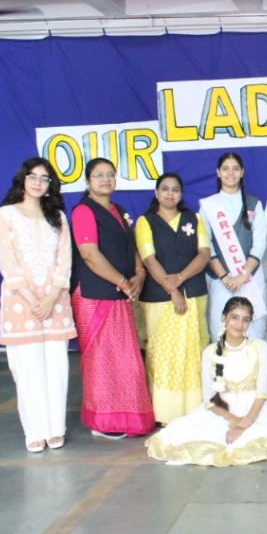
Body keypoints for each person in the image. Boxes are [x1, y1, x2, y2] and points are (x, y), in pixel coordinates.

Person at [0, 157, 77, 453]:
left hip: (55, 303)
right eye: (33, 177)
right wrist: (32, 299)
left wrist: (51, 297)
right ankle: (35, 430)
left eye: (44, 178)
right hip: (20, 303)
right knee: (28, 369)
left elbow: (65, 259)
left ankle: (55, 429)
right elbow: (6, 261)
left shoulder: (58, 217)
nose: (38, 183)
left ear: (50, 184)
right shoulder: (6, 215)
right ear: (22, 180)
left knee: (56, 368)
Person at [145, 297, 267, 466]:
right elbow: (209, 399)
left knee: (256, 441)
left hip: (255, 409)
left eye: (245, 320)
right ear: (223, 318)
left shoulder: (260, 348)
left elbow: (262, 393)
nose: (239, 324)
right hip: (222, 410)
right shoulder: (210, 352)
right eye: (234, 317)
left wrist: (245, 424)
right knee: (209, 440)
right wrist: (232, 419)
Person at [69, 158, 155, 439]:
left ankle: (126, 417)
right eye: (98, 175)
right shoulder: (83, 211)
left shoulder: (119, 211)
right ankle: (102, 422)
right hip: (95, 296)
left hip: (121, 296)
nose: (105, 179)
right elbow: (89, 255)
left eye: (110, 174)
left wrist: (139, 274)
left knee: (126, 361)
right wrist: (122, 282)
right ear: (87, 181)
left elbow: (133, 248)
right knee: (102, 363)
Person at [136, 172, 212, 424]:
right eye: (165, 189)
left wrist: (180, 278)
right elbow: (149, 259)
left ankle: (195, 410)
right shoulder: (145, 222)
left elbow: (204, 253)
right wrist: (172, 290)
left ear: (180, 194)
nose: (170, 193)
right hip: (159, 298)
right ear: (156, 193)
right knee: (163, 355)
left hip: (194, 294)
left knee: (193, 352)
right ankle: (164, 413)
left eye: (175, 189)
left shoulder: (194, 219)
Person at [201, 152, 267, 341]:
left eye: (235, 168)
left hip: (250, 278)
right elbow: (206, 245)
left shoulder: (254, 204)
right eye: (225, 169)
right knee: (220, 329)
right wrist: (225, 277)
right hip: (220, 279)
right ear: (218, 172)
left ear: (242, 172)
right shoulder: (208, 206)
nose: (230, 173)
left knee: (253, 330)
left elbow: (260, 242)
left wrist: (242, 275)